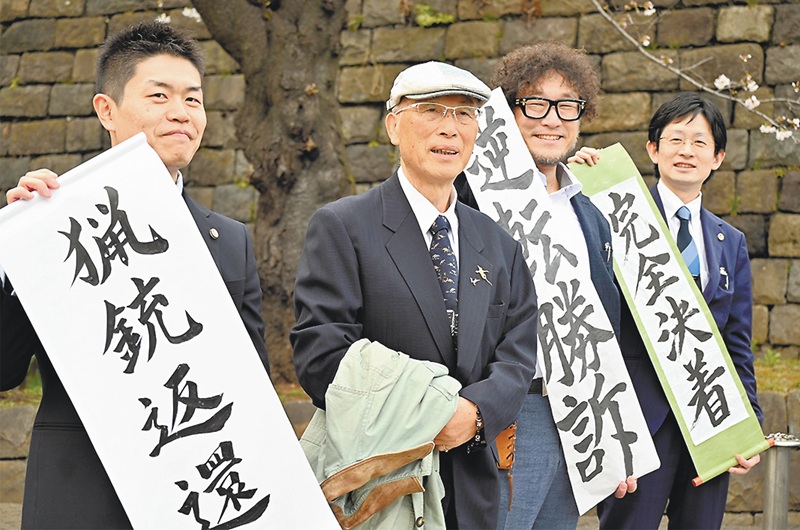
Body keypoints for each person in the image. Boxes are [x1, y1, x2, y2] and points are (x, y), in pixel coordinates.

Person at [0, 21, 269, 529]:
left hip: (195, 501)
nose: (181, 113)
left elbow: (253, 392)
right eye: (159, 96)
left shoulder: (231, 240)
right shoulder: (51, 224)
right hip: (78, 494)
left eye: (193, 99)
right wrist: (16, 248)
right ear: (107, 110)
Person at [291, 61, 539, 529]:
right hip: (381, 482)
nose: (450, 128)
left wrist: (475, 414)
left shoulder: (498, 244)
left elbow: (518, 351)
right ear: (393, 126)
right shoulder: (344, 226)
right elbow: (321, 354)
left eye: (464, 114)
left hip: (472, 483)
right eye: (431, 110)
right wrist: (431, 413)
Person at [454, 42, 635, 530]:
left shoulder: (592, 215)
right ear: (507, 114)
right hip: (506, 410)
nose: (552, 120)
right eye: (535, 104)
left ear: (582, 115)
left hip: (580, 418)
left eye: (567, 106)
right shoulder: (468, 201)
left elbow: (606, 329)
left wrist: (615, 438)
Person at [572, 92, 763, 529]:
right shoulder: (614, 214)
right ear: (653, 150)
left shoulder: (729, 241)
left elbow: (737, 340)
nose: (686, 151)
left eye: (700, 142)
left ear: (717, 158)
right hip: (637, 419)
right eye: (675, 139)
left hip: (710, 419)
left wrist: (749, 424)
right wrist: (576, 181)